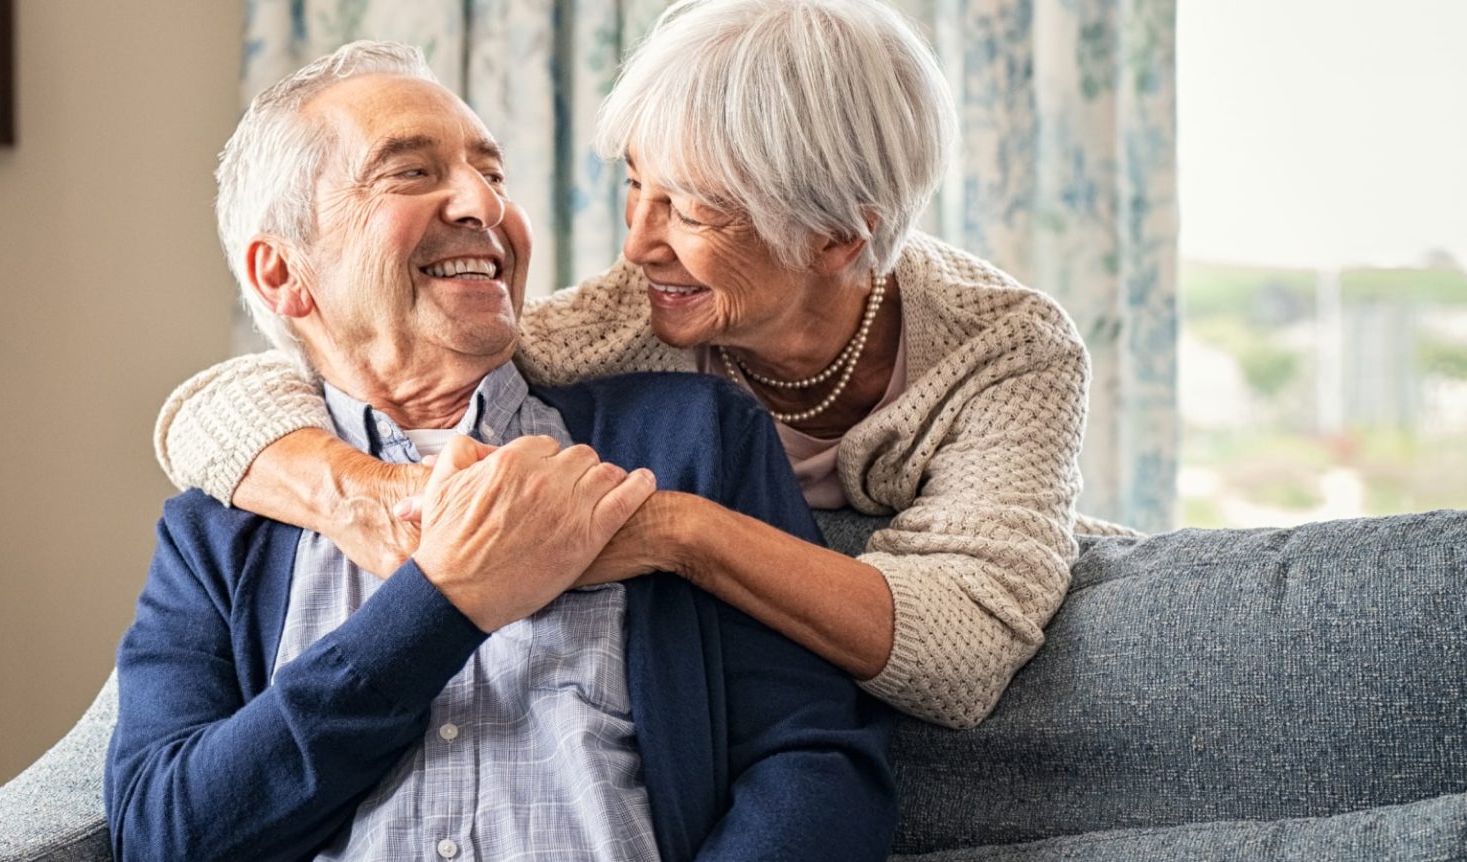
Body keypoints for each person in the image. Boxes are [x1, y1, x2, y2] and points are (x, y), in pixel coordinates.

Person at [154, 0, 1113, 729]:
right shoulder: (622, 324)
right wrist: (365, 494)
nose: (640, 244)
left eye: (690, 210)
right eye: (633, 186)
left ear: (833, 238)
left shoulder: (1007, 352)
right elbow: (232, 398)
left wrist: (677, 531)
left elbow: (960, 653)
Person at [103, 41, 894, 862]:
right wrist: (443, 602)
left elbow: (817, 764)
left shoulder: (690, 438)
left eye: (494, 174)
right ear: (282, 275)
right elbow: (164, 834)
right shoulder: (217, 530)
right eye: (410, 172)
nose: (482, 201)